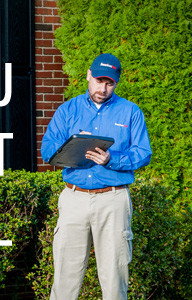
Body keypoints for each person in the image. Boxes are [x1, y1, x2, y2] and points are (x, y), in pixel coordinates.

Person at [41, 53, 152, 299]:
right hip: (74, 198)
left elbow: (143, 153)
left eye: (109, 83)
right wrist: (71, 150)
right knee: (65, 278)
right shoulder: (67, 109)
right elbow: (47, 148)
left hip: (113, 199)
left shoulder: (130, 112)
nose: (103, 88)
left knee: (114, 278)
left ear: (116, 83)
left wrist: (113, 159)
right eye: (99, 80)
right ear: (89, 76)